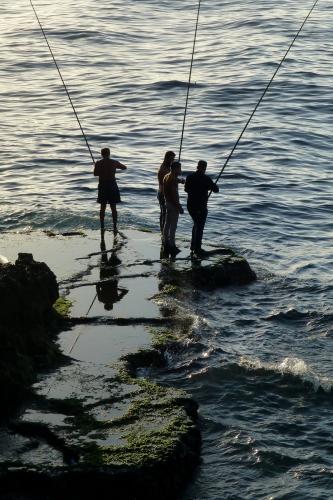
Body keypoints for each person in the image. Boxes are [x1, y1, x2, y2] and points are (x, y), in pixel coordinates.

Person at [185, 160, 219, 257]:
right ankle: (197, 248)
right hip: (201, 207)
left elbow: (186, 189)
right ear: (205, 168)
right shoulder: (206, 179)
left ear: (197, 166)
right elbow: (216, 190)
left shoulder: (189, 177)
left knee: (196, 224)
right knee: (199, 227)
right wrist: (211, 186)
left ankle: (193, 246)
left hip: (190, 206)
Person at [94, 147, 127, 235]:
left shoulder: (98, 163)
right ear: (109, 154)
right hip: (112, 186)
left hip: (103, 186)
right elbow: (124, 167)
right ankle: (115, 226)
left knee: (102, 207)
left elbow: (95, 174)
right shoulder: (114, 162)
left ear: (101, 154)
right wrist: (114, 168)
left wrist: (98, 167)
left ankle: (102, 226)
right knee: (113, 207)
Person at [162, 161, 184, 255]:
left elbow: (174, 180)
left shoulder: (166, 176)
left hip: (167, 203)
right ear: (175, 169)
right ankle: (172, 246)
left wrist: (181, 180)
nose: (181, 170)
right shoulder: (173, 180)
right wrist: (179, 207)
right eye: (179, 168)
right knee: (173, 226)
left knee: (167, 224)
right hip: (173, 204)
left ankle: (165, 241)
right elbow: (174, 196)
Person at [157, 150, 176, 233]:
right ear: (166, 158)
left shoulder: (167, 167)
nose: (173, 161)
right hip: (163, 193)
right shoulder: (164, 169)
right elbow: (169, 179)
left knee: (164, 213)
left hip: (163, 193)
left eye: (173, 159)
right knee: (164, 213)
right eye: (171, 159)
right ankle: (163, 232)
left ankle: (163, 231)